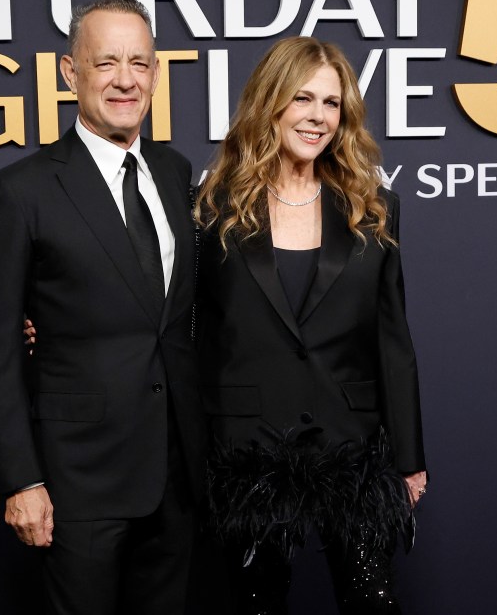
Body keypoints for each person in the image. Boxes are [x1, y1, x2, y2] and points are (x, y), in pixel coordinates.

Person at [0, 0, 206, 615]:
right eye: (106, 63)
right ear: (72, 74)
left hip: (179, 475)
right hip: (78, 482)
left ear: (156, 74)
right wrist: (23, 479)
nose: (125, 80)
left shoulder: (176, 171)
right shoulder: (21, 191)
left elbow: (181, 314)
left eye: (139, 63)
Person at [193, 36, 428, 614]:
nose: (318, 117)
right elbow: (177, 323)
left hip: (352, 445)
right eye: (303, 99)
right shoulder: (208, 208)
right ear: (270, 103)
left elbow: (392, 338)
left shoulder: (374, 207)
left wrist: (409, 456)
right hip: (248, 449)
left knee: (373, 602)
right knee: (256, 605)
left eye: (332, 103)